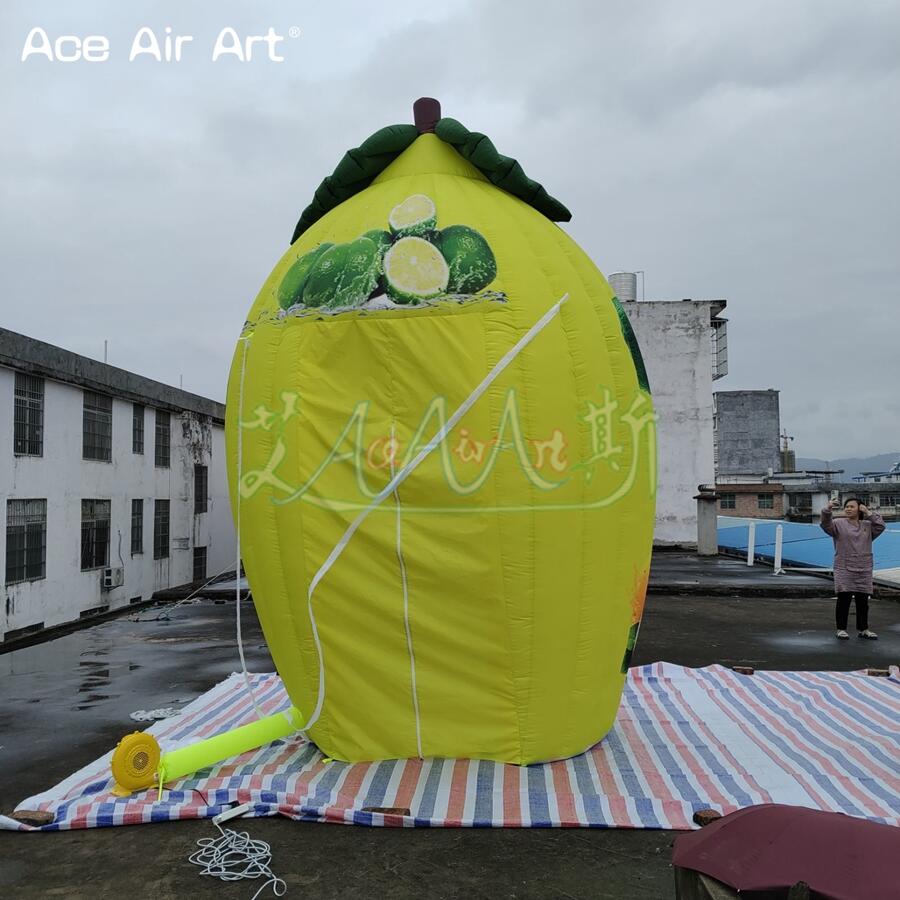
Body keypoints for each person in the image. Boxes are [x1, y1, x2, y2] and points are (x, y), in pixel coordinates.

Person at [820, 497, 885, 640]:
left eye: (852, 506)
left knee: (863, 600)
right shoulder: (838, 524)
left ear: (859, 508)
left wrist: (868, 512)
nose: (848, 509)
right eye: (846, 507)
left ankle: (864, 629)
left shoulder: (867, 525)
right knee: (844, 598)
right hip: (844, 565)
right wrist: (828, 509)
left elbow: (880, 526)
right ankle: (841, 629)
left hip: (864, 566)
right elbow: (825, 525)